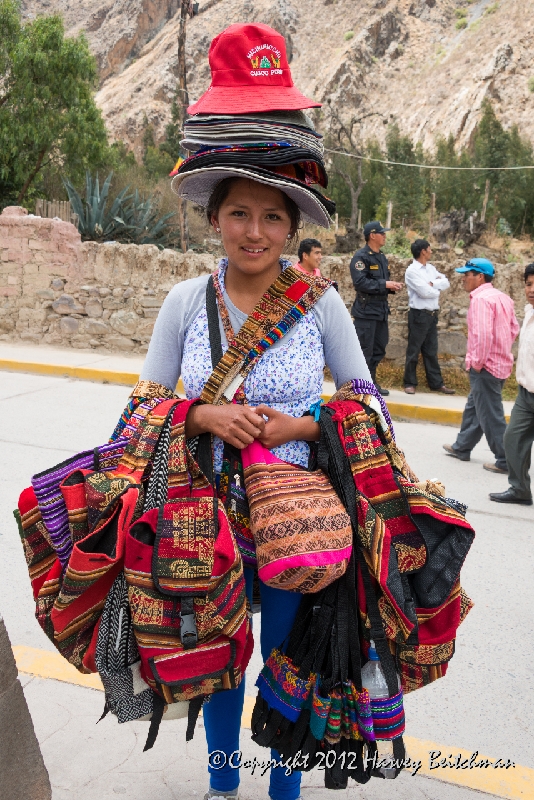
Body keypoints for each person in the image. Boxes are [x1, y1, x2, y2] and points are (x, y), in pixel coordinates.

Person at [140, 22, 372, 800]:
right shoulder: (183, 302)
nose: (256, 231)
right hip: (202, 513)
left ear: (293, 230)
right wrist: (202, 419)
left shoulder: (320, 307)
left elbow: (368, 405)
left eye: (274, 218)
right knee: (217, 658)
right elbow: (145, 404)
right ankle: (222, 784)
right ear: (215, 219)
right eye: (240, 213)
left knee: (287, 657)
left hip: (297, 518)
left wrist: (300, 427)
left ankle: (283, 791)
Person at [443, 258, 519, 473]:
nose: (464, 278)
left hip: (486, 366)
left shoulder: (481, 300)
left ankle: (505, 460)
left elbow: (483, 335)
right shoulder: (503, 298)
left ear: (480, 276)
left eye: (467, 274)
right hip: (500, 362)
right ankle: (462, 446)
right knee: (475, 407)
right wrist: (501, 350)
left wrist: (477, 363)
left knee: (490, 414)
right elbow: (514, 329)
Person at [489, 263, 534, 505]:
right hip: (526, 394)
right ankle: (520, 489)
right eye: (529, 284)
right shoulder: (529, 312)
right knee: (512, 439)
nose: (532, 289)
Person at [350, 221, 403, 396]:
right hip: (366, 313)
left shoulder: (381, 257)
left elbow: (380, 283)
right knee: (365, 351)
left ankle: (371, 382)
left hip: (380, 311)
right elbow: (360, 282)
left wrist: (390, 286)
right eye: (382, 233)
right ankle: (362, 387)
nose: (385, 236)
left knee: (379, 348)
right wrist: (384, 284)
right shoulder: (361, 257)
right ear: (372, 235)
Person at [403, 239, 455, 395]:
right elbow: (425, 293)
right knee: (414, 350)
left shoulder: (431, 269)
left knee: (431, 350)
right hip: (419, 314)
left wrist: (431, 283)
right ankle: (409, 382)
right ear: (423, 251)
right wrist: (435, 288)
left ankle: (436, 383)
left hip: (432, 314)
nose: (432, 251)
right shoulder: (412, 271)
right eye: (429, 249)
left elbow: (446, 282)